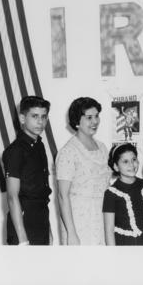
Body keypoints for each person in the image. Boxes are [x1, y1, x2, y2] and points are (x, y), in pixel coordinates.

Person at [56, 97, 112, 245]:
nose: (95, 121)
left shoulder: (102, 148)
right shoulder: (68, 152)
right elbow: (62, 196)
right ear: (76, 121)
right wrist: (71, 233)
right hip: (79, 221)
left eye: (96, 116)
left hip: (102, 217)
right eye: (89, 118)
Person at [3, 96, 52, 246]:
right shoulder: (15, 151)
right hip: (23, 224)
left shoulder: (39, 146)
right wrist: (22, 239)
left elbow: (42, 194)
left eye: (44, 117)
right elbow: (12, 197)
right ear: (22, 118)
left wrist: (48, 230)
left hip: (41, 220)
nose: (40, 121)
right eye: (35, 116)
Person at [103, 143, 143, 246]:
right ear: (116, 166)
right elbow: (109, 229)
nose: (131, 164)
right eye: (125, 161)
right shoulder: (111, 193)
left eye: (134, 159)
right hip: (125, 244)